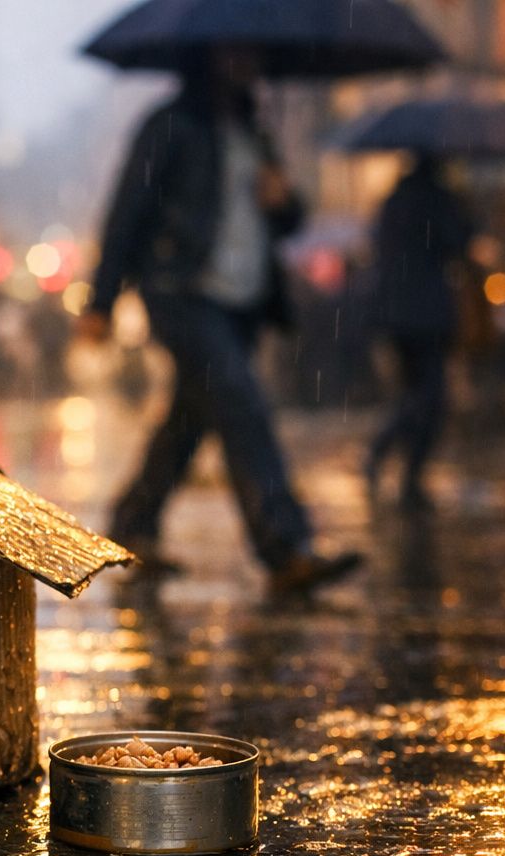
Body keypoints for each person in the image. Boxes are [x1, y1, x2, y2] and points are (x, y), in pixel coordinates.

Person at [76, 48, 361, 594]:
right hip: (179, 290)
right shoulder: (169, 126)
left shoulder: (256, 132)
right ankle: (285, 546)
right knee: (239, 397)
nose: (245, 64)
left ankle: (133, 525)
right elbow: (126, 210)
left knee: (192, 415)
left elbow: (290, 219)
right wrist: (101, 300)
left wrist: (283, 201)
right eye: (233, 54)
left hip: (243, 301)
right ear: (206, 57)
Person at [365, 155, 474, 509]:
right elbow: (456, 244)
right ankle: (404, 468)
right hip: (426, 313)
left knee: (415, 392)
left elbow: (379, 249)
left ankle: (392, 460)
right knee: (431, 396)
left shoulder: (392, 202)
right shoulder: (437, 202)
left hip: (396, 313)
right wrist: (463, 213)